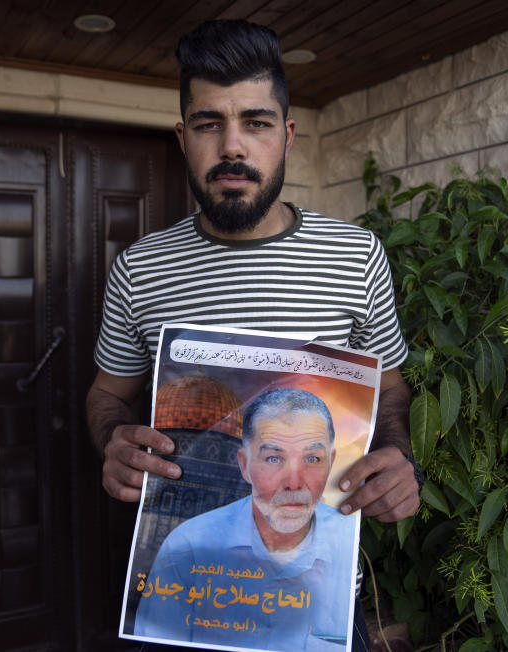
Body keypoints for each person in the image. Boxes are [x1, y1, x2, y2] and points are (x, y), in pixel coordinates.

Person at [86, 18, 424, 651]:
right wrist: (114, 441)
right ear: (184, 137)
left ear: (287, 136)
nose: (233, 147)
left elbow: (393, 390)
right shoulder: (139, 267)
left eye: (257, 122)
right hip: (189, 603)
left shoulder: (356, 256)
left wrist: (402, 460)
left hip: (319, 602)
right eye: (210, 124)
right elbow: (106, 394)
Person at [133, 389, 354, 650]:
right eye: (274, 458)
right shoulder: (188, 546)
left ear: (331, 462)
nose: (294, 484)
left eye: (312, 459)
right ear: (244, 464)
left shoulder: (348, 540)